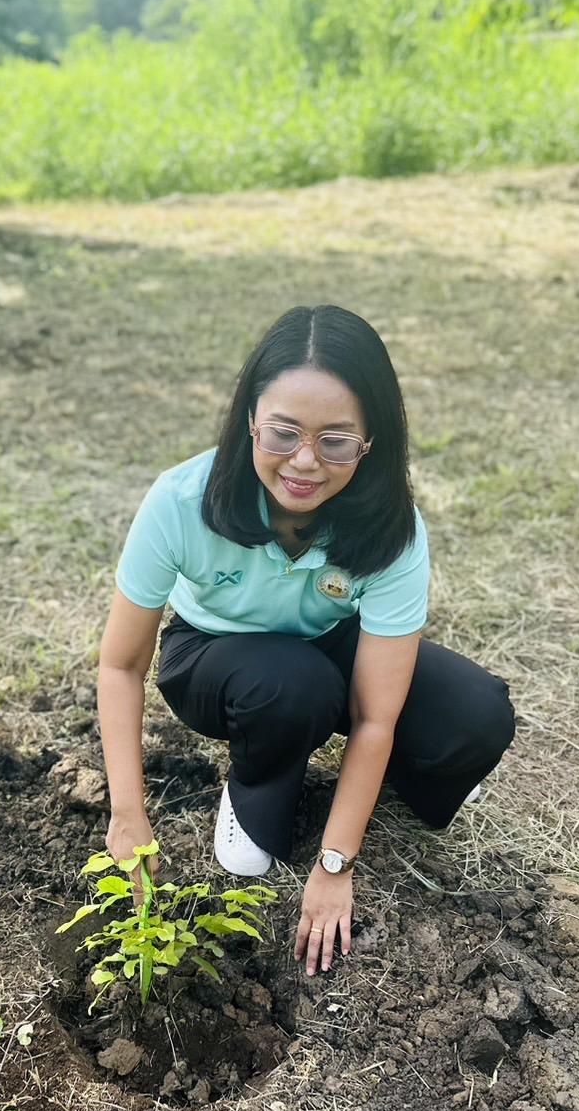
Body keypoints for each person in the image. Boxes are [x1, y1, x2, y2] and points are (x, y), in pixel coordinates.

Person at [95, 305, 515, 979]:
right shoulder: (180, 501)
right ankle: (257, 781)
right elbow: (120, 665)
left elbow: (377, 714)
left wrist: (335, 862)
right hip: (215, 653)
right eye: (283, 433)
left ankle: (367, 790)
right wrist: (127, 812)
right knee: (291, 686)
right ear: (250, 420)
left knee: (475, 716)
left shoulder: (390, 529)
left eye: (336, 442)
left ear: (372, 440)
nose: (304, 463)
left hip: (325, 640)